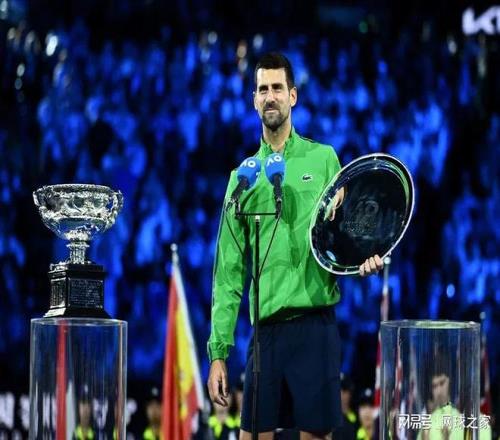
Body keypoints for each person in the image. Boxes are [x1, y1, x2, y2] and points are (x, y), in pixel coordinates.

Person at [207, 52, 383, 440]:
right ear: (254, 100)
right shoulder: (242, 179)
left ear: (293, 96)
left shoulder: (324, 160)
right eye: (262, 89)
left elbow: (345, 235)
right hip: (266, 333)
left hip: (315, 327)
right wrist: (218, 352)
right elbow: (228, 273)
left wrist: (362, 260)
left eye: (277, 88)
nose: (270, 96)